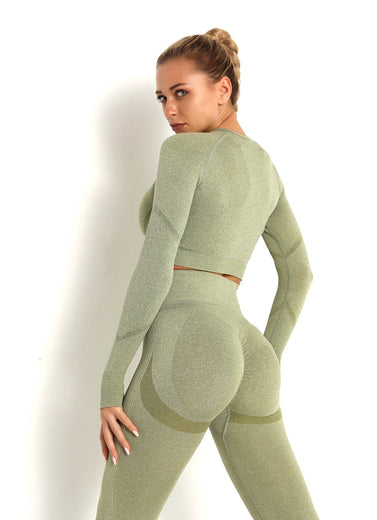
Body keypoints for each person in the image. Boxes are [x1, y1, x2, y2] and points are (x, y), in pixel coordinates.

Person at [95, 28, 320, 520]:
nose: (170, 110)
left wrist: (112, 381)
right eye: (161, 98)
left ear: (223, 89)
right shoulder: (266, 169)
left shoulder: (183, 153)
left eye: (181, 93)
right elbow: (299, 272)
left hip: (188, 340)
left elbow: (156, 262)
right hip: (246, 348)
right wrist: (268, 359)